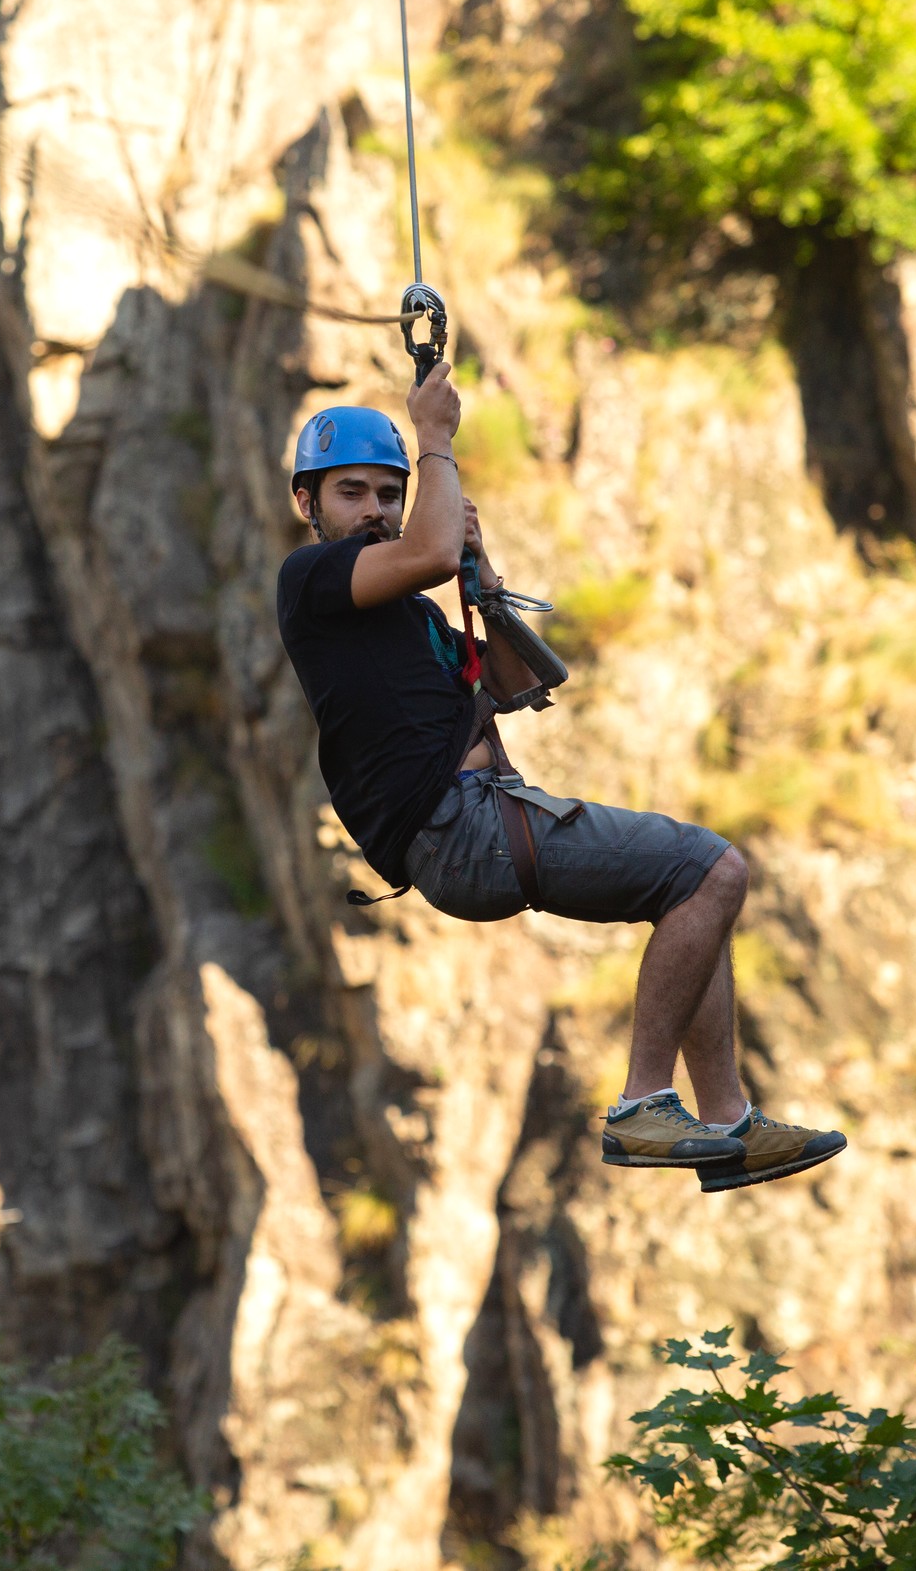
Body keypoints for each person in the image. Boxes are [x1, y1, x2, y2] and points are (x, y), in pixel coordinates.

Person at [274, 363, 845, 1193]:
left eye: (388, 495)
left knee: (697, 895)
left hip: (477, 817)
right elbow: (424, 548)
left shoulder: (411, 613)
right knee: (712, 868)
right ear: (309, 505)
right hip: (457, 826)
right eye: (352, 494)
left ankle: (727, 1122)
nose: (373, 512)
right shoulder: (311, 581)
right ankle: (646, 1102)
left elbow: (515, 684)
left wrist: (483, 575)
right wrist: (433, 439)